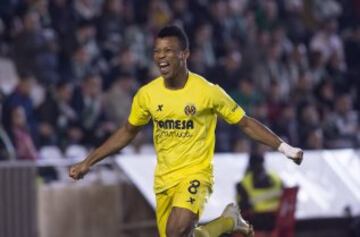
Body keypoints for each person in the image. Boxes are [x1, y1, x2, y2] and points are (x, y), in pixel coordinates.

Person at [69, 25, 303, 237]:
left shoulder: (207, 92)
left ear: (184, 54)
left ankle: (226, 222)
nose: (161, 56)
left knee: (176, 231)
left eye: (168, 50)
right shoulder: (147, 94)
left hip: (196, 173)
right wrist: (88, 162)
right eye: (157, 51)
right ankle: (228, 222)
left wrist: (284, 147)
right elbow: (127, 131)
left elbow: (245, 123)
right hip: (163, 180)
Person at [236, 144, 283, 232]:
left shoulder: (244, 183)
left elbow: (242, 207)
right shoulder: (276, 178)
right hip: (279, 220)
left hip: (260, 223)